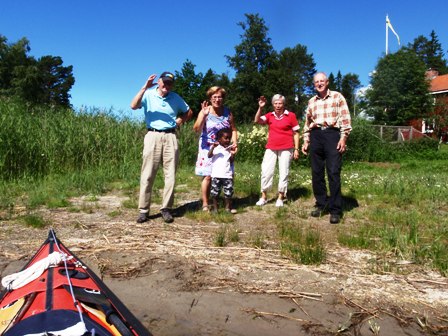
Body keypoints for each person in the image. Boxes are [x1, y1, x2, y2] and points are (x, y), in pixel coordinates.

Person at [130, 71, 193, 223]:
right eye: (164, 82)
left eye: (170, 83)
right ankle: (144, 210)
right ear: (159, 82)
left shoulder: (175, 97)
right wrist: (144, 87)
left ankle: (166, 209)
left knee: (170, 174)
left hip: (171, 136)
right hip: (152, 135)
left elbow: (189, 112)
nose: (167, 85)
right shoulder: (149, 94)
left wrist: (180, 120)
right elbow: (133, 105)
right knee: (147, 174)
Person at [301, 72, 352, 224]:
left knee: (333, 172)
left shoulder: (337, 97)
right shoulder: (311, 101)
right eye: (316, 82)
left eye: (322, 81)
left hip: (332, 135)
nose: (319, 84)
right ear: (314, 84)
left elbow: (345, 119)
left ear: (327, 82)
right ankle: (321, 204)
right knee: (316, 173)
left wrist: (344, 137)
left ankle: (335, 210)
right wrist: (306, 140)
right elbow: (307, 123)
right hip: (316, 135)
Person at [193, 86, 237, 211]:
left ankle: (227, 203)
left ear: (223, 98)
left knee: (227, 174)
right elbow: (196, 130)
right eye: (214, 97)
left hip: (225, 148)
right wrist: (203, 116)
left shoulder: (228, 112)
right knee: (208, 176)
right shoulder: (205, 111)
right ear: (210, 98)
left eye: (220, 97)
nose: (217, 99)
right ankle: (206, 203)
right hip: (208, 147)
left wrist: (234, 143)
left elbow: (233, 129)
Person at [254, 94, 300, 207]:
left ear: (284, 104)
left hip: (287, 147)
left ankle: (280, 197)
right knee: (266, 171)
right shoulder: (270, 115)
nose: (278, 106)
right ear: (273, 104)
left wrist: (296, 149)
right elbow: (257, 120)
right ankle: (264, 196)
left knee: (284, 172)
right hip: (271, 147)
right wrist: (260, 107)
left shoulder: (291, 116)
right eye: (276, 103)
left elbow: (296, 133)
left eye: (280, 103)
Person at [207, 128, 237, 213]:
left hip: (227, 174)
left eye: (229, 138)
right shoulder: (216, 148)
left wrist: (232, 153)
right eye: (226, 138)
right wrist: (213, 147)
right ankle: (215, 208)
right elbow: (209, 155)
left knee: (228, 192)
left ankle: (227, 208)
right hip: (216, 174)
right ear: (219, 139)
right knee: (215, 193)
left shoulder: (229, 148)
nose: (228, 140)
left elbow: (231, 161)